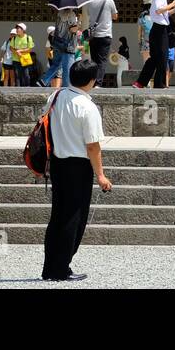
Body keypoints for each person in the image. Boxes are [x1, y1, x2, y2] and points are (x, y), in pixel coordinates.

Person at [41, 59, 112, 282]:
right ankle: (61, 268)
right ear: (91, 81)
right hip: (78, 166)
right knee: (74, 218)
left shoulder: (56, 96)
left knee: (58, 216)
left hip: (57, 163)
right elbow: (93, 145)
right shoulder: (88, 107)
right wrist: (100, 175)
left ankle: (50, 266)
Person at [133, 0, 175, 89]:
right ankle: (159, 84)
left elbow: (160, 13)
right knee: (162, 57)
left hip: (158, 29)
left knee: (155, 58)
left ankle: (140, 82)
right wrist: (173, 4)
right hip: (159, 30)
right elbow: (159, 10)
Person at [85, 0, 118, 84]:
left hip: (93, 36)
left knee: (94, 61)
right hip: (105, 35)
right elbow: (115, 16)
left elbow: (89, 14)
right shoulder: (109, 1)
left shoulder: (90, 2)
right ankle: (98, 83)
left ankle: (92, 82)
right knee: (102, 60)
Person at [43, 9, 82, 89]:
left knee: (56, 65)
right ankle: (67, 89)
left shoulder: (59, 14)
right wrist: (79, 23)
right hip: (68, 46)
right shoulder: (71, 14)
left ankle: (43, 81)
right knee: (67, 69)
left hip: (58, 44)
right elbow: (72, 29)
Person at [7, 23, 35, 88]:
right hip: (15, 59)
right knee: (17, 75)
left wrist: (20, 51)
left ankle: (27, 87)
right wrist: (17, 52)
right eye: (16, 28)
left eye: (18, 28)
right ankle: (18, 89)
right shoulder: (14, 38)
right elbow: (11, 48)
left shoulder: (28, 38)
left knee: (26, 75)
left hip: (25, 59)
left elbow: (30, 49)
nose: (16, 30)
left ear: (23, 30)